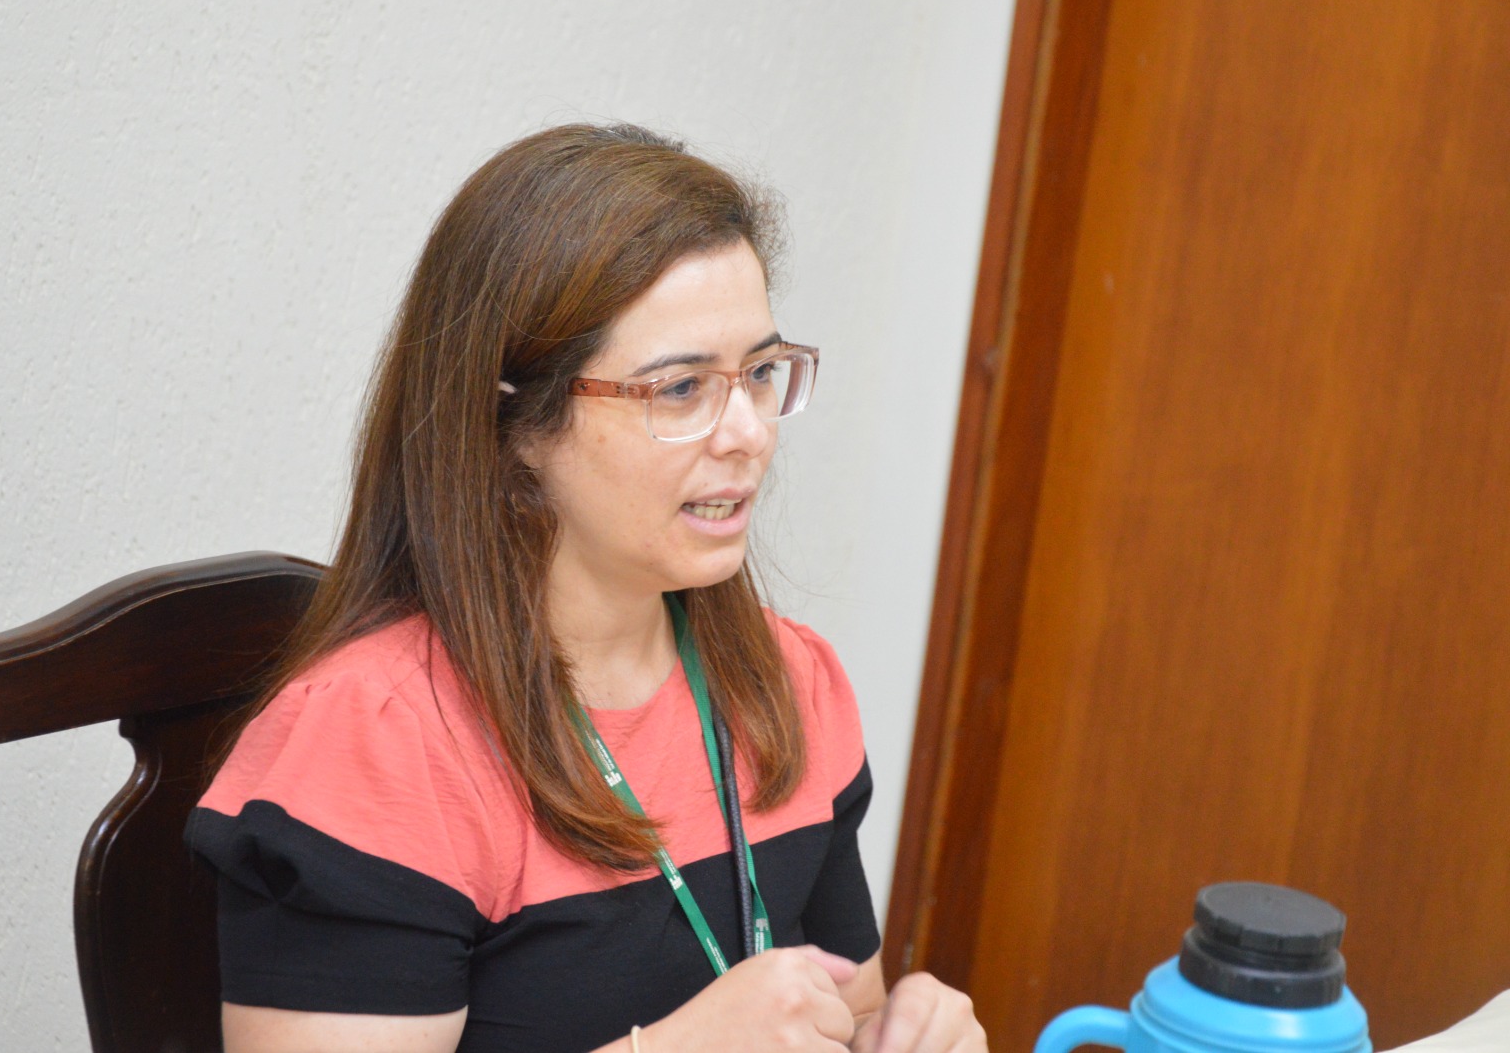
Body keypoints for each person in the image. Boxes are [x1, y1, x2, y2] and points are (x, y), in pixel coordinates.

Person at [186, 122, 986, 1053]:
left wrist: (901, 1034)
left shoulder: (792, 682)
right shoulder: (375, 743)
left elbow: (846, 1011)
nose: (749, 432)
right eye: (681, 388)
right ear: (514, 426)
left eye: (761, 373)